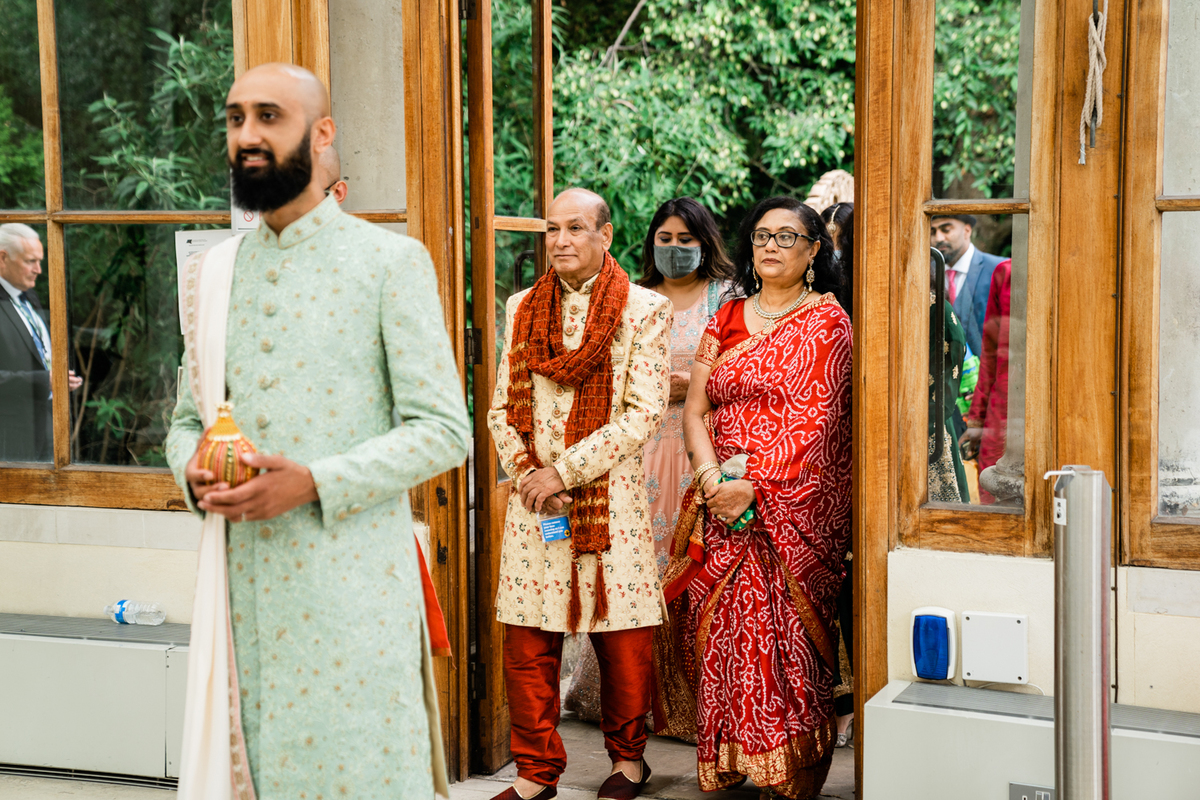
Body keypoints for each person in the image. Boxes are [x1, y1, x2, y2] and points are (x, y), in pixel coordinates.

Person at [164, 63, 470, 799]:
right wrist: (193, 473)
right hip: (238, 603)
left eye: (269, 116)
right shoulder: (212, 276)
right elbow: (185, 422)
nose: (247, 134)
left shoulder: (388, 262)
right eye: (235, 118)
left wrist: (314, 482)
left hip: (353, 602)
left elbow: (444, 430)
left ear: (321, 133)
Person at [659, 196, 852, 798]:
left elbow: (819, 422)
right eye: (762, 235)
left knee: (782, 637)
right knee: (722, 635)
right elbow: (695, 411)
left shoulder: (828, 323)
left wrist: (755, 487)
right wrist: (712, 480)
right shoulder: (727, 317)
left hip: (792, 506)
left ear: (814, 250)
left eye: (787, 236)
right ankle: (735, 757)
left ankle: (787, 769)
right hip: (718, 498)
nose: (771, 245)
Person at [486, 187, 672, 800]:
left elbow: (643, 414)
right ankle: (536, 773)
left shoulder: (644, 309)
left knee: (622, 644)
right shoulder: (521, 307)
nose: (560, 240)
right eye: (552, 229)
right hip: (535, 505)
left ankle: (628, 763)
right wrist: (529, 473)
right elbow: (499, 409)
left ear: (605, 235)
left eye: (574, 228)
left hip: (608, 504)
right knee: (527, 643)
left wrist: (562, 473)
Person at [563, 197, 734, 734]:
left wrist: (698, 386)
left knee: (699, 569)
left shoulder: (728, 299)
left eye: (686, 240)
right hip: (636, 452)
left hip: (702, 448)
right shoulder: (630, 298)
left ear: (705, 243)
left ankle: (700, 703)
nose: (675, 248)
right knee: (633, 569)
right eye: (665, 239)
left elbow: (746, 368)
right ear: (649, 242)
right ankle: (627, 701)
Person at [0, 223, 82, 462]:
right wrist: (43, 381)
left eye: (40, 261)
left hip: (46, 427)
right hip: (8, 439)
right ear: (2, 258)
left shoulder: (28, 296)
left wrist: (59, 380)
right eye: (30, 261)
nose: (38, 270)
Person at [820, 201, 855, 748]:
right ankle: (835, 702)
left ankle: (854, 701)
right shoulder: (818, 302)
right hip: (815, 457)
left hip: (865, 452)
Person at [960, 258, 1013, 505]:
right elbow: (990, 353)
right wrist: (977, 419)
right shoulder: (1006, 273)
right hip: (1004, 409)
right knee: (995, 491)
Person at [929, 214, 1003, 360]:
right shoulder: (923, 272)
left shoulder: (998, 269)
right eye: (932, 232)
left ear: (967, 231)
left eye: (946, 229)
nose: (938, 238)